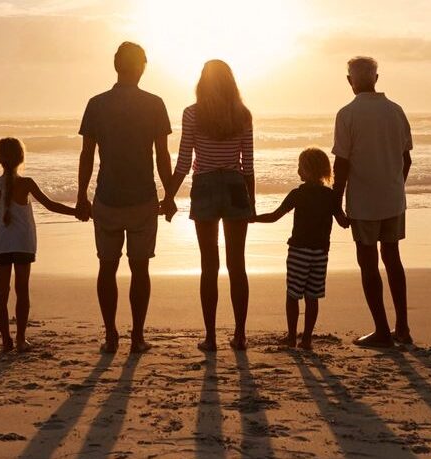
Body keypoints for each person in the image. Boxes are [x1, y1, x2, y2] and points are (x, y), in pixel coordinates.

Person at [75, 42, 175, 354]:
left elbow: (87, 156)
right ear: (141, 67)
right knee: (140, 268)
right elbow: (162, 156)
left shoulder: (96, 104)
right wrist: (169, 194)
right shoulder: (154, 104)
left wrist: (82, 195)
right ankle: (137, 337)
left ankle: (110, 335)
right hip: (143, 197)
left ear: (116, 65)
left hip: (107, 196)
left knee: (107, 266)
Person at [161, 59, 255, 352]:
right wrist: (250, 203)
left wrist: (168, 196)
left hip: (204, 186)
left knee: (209, 265)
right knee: (237, 265)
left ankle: (211, 337)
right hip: (235, 185)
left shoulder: (192, 114)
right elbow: (248, 164)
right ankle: (240, 335)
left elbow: (184, 162)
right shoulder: (243, 114)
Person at [0, 138, 78, 353]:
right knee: (22, 290)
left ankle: (6, 340)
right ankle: (21, 338)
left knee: (1, 292)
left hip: (1, 243)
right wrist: (76, 212)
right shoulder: (28, 183)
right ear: (22, 158)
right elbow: (51, 206)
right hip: (23, 242)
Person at [331, 57, 414, 348]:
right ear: (376, 78)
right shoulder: (396, 111)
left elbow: (341, 164)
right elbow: (406, 159)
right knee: (392, 258)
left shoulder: (347, 114)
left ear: (350, 80)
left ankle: (382, 330)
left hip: (364, 201)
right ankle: (401, 326)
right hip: (392, 198)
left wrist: (335, 203)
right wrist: (395, 187)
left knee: (368, 262)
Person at [251, 147, 348, 350]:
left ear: (308, 170)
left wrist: (251, 219)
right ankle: (307, 340)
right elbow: (342, 221)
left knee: (293, 295)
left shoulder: (298, 194)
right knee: (312, 296)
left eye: (299, 167)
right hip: (321, 253)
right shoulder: (330, 196)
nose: (297, 171)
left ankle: (292, 336)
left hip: (298, 252)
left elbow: (275, 216)